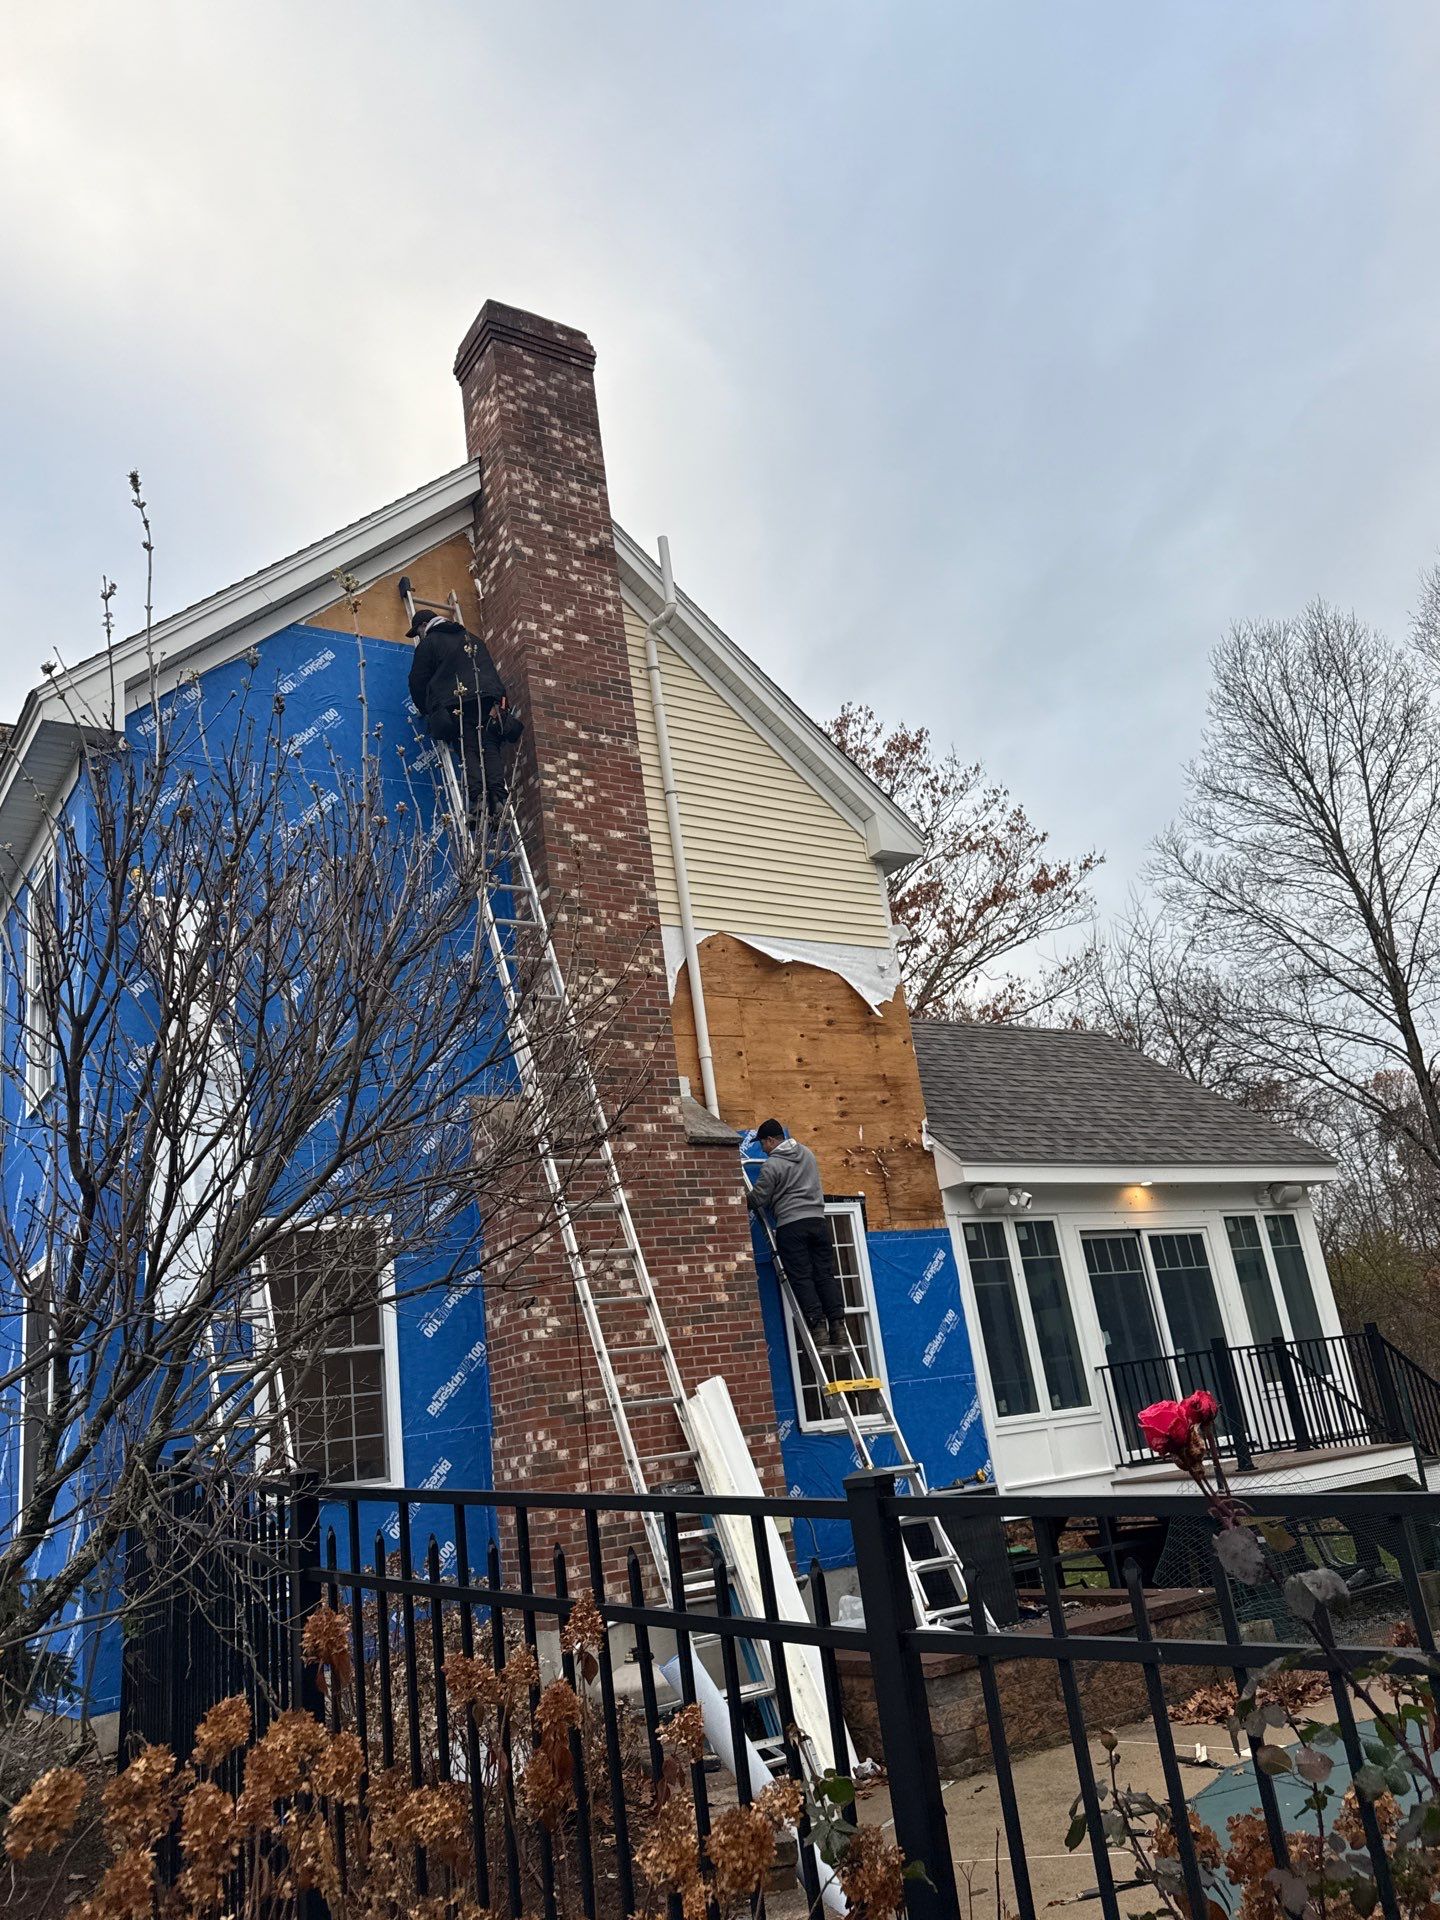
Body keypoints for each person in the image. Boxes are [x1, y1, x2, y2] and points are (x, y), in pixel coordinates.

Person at [746, 1119, 847, 1351]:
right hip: (818, 1223)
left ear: (771, 1140)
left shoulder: (772, 1166)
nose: (762, 1149)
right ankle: (838, 1326)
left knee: (802, 1277)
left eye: (763, 1144)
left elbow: (759, 1198)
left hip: (792, 1226)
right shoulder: (808, 1154)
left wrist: (738, 1198)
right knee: (824, 1275)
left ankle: (818, 1329)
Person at [407, 608, 519, 817]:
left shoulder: (429, 644)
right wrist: (499, 702)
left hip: (457, 703)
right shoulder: (472, 639)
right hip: (486, 701)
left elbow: (417, 681)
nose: (419, 636)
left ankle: (479, 800)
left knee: (468, 748)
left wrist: (427, 709)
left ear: (424, 626)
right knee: (489, 747)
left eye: (418, 632)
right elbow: (490, 671)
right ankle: (499, 798)